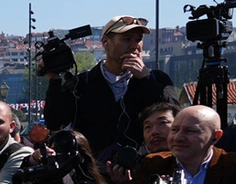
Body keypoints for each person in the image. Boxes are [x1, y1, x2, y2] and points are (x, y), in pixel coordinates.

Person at [43, 15, 175, 159]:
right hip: (93, 167)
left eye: (138, 39)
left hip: (143, 165)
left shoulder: (158, 79)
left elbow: (174, 115)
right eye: (127, 39)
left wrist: (146, 79)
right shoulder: (82, 83)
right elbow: (54, 122)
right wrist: (54, 81)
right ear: (106, 43)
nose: (134, 46)